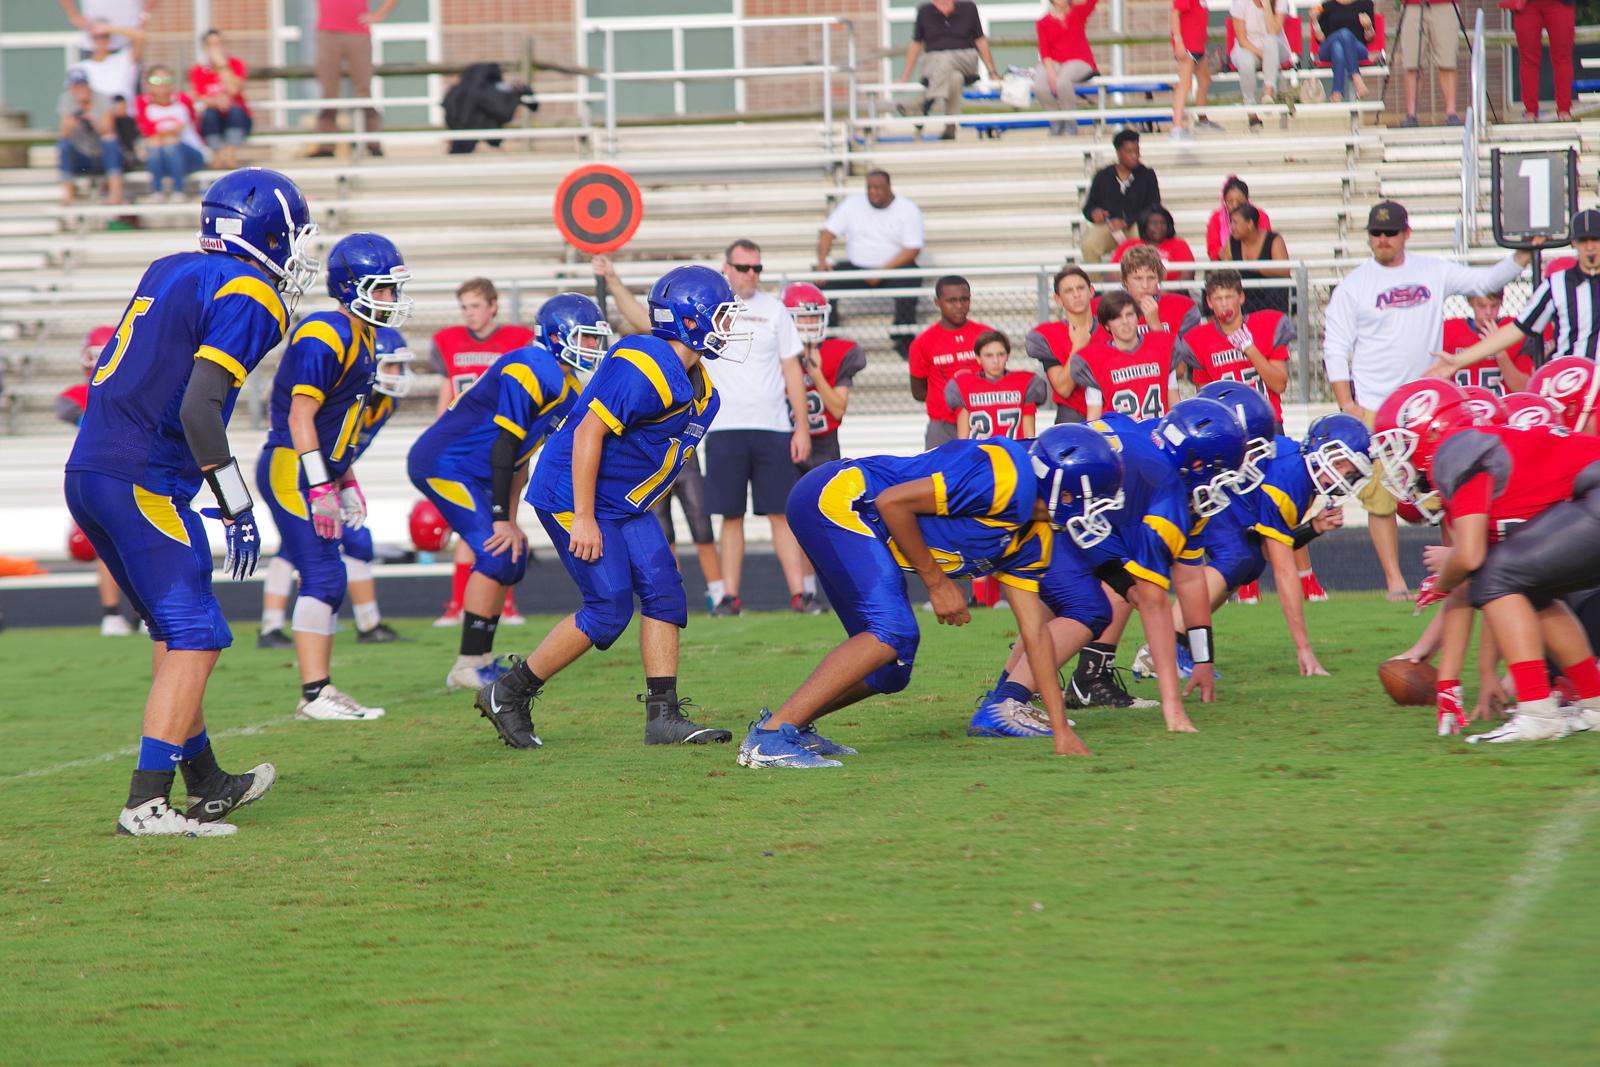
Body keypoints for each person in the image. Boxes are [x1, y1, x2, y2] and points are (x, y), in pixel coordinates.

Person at [63, 167, 317, 836]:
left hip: (91, 469)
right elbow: (199, 407)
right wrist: (236, 503)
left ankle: (206, 781)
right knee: (198, 633)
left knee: (176, 632)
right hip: (141, 478)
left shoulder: (169, 266)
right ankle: (145, 803)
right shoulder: (250, 290)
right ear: (268, 234)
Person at [476, 265, 752, 750]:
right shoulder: (644, 365)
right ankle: (507, 693)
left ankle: (663, 717)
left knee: (665, 592)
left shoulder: (702, 391)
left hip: (620, 502)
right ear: (690, 320)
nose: (729, 325)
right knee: (608, 609)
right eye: (722, 314)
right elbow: (589, 432)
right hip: (574, 493)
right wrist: (584, 517)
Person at [738, 426, 1119, 766]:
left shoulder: (1033, 537)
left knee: (891, 672)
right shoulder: (1001, 477)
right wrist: (937, 584)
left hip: (855, 516)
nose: (1093, 513)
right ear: (1063, 490)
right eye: (1092, 501)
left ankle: (791, 724)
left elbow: (1035, 634)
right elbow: (892, 502)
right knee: (893, 632)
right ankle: (770, 738)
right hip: (838, 497)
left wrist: (1060, 731)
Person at [1322, 199, 1534, 601]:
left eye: (1390, 232)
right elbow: (1335, 346)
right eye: (1376, 233)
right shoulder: (1354, 285)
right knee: (1380, 497)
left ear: (1407, 233)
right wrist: (1347, 404)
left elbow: (1485, 281)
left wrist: (1524, 255)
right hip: (1376, 406)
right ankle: (1394, 581)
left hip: (1428, 407)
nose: (1382, 240)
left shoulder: (1432, 270)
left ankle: (1451, 575)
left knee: (1447, 492)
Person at [1378, 384, 1600, 742]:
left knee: (1499, 573)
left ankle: (1537, 712)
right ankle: (1594, 703)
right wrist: (1448, 682)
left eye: (1401, 443)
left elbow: (1470, 558)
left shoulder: (1457, 450)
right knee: (1530, 588)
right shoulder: (1480, 454)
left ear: (1431, 429)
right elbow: (1469, 580)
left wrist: (1440, 583)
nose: (1398, 458)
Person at [410, 293, 604, 696]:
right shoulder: (530, 366)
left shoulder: (567, 387)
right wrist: (500, 518)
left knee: (511, 557)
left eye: (593, 338)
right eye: (584, 337)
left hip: (482, 471)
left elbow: (520, 459)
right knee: (496, 553)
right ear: (557, 336)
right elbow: (504, 445)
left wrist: (510, 521)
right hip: (445, 464)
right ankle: (467, 665)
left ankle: (479, 660)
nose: (591, 346)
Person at [254, 233, 411, 721]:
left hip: (315, 467)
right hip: (291, 467)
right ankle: (314, 693)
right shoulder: (326, 332)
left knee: (329, 574)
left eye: (393, 289)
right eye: (382, 288)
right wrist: (322, 483)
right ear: (351, 286)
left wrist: (346, 479)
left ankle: (317, 691)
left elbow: (337, 425)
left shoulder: (363, 335)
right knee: (322, 573)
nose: (391, 298)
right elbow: (301, 416)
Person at [1012, 399, 1246, 719]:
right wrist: (1172, 705)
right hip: (1035, 501)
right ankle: (1024, 695)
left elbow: (1191, 577)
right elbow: (1154, 601)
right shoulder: (1160, 485)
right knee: (1091, 604)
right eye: (1220, 472)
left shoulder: (1157, 450)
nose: (1222, 485)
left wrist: (1203, 658)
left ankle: (1008, 693)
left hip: (1049, 494)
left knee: (1069, 598)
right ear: (1195, 464)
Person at [1138, 388, 1357, 681]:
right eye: (1339, 464)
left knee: (1249, 559)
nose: (1342, 476)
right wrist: (1304, 648)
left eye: (1350, 472)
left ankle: (1179, 641)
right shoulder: (1291, 480)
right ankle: (1162, 646)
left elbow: (1268, 549)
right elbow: (1284, 570)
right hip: (1211, 493)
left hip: (1224, 498)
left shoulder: (1300, 475)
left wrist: (1313, 528)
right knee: (1237, 557)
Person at [259, 325, 414, 648]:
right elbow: (311, 429)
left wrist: (346, 482)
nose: (398, 374)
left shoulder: (384, 404)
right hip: (300, 469)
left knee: (348, 542)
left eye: (400, 366)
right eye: (391, 366)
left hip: (328, 472)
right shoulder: (346, 392)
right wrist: (327, 483)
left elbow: (345, 447)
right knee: (312, 553)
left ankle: (366, 623)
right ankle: (274, 628)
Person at [594, 254, 727, 611]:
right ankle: (672, 586)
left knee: (699, 520)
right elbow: (590, 433)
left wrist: (612, 279)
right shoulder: (646, 360)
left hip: (677, 451)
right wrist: (612, 279)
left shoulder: (693, 366)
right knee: (660, 529)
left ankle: (719, 592)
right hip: (645, 459)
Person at [700, 240, 814, 616]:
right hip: (724, 426)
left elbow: (792, 369)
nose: (751, 274)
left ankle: (800, 594)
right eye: (744, 267)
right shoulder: (710, 307)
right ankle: (729, 596)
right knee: (730, 515)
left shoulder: (775, 310)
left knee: (781, 513)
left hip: (773, 425)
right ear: (726, 268)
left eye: (757, 268)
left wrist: (801, 427)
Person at [430, 277, 536, 626]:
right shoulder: (448, 341)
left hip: (507, 444)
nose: (469, 313)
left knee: (507, 524)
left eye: (475, 306)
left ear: (493, 306)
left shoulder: (518, 340)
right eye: (464, 307)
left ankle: (506, 604)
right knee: (470, 527)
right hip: (467, 446)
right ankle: (458, 603)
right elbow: (447, 391)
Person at [1428, 210, 1600, 372]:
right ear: (1574, 243)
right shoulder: (1556, 284)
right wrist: (1458, 360)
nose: (1590, 247)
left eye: (1595, 239)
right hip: (1570, 381)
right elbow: (1518, 328)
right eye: (1584, 240)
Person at [59, 325, 136, 636]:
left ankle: (133, 614)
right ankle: (116, 614)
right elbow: (64, 406)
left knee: (129, 547)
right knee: (113, 547)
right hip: (112, 476)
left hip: (116, 474)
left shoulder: (125, 389)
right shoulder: (101, 391)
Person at [815, 170, 924, 360]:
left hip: (892, 268)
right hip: (856, 267)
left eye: (878, 188)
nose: (873, 192)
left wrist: (882, 271)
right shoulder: (852, 204)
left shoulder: (907, 209)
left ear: (889, 187)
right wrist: (822, 263)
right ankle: (830, 338)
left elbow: (912, 249)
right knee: (824, 281)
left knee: (911, 276)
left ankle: (903, 335)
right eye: (869, 188)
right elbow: (827, 233)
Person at [909, 275, 993, 448]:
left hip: (982, 421)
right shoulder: (923, 342)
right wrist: (946, 401)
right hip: (942, 426)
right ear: (937, 302)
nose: (959, 306)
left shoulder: (986, 335)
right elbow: (918, 391)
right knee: (936, 466)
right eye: (951, 301)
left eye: (964, 299)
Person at [899, 0, 1002, 140]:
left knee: (946, 59)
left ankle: (922, 105)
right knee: (955, 77)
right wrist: (905, 76)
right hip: (935, 62)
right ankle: (950, 128)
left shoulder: (969, 8)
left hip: (965, 59)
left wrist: (992, 72)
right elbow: (916, 44)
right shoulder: (924, 11)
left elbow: (980, 40)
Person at [1073, 290, 1182, 422]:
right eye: (1117, 317)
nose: (1125, 321)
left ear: (1137, 317)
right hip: (1119, 433)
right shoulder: (1096, 360)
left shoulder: (1161, 347)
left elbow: (1174, 401)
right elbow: (1094, 417)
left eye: (1129, 314)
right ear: (1107, 325)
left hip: (1157, 431)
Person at [311, 0, 397, 158]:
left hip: (358, 32)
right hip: (327, 33)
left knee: (363, 91)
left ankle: (373, 144)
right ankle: (326, 146)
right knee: (328, 93)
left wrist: (379, 14)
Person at [1027, 265, 1097, 425]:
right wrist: (1078, 346)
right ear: (1058, 299)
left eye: (1080, 288)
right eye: (1069, 291)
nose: (1076, 294)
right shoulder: (1048, 335)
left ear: (1091, 291)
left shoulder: (1110, 328)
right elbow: (1064, 389)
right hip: (1072, 418)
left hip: (1112, 413)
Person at [948, 330, 1048, 441]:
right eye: (989, 355)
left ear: (1007, 356)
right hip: (979, 451)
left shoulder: (1025, 382)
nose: (995, 361)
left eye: (1001, 354)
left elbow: (1029, 437)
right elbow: (963, 440)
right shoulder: (964, 385)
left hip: (1012, 451)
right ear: (978, 358)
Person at [1080, 128, 1160, 264]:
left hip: (1137, 226)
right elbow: (1089, 206)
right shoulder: (1103, 176)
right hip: (1110, 227)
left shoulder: (1147, 175)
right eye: (1129, 151)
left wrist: (1126, 221)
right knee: (1089, 246)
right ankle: (1095, 278)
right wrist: (1094, 213)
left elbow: (1154, 206)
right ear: (1118, 152)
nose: (1135, 155)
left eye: (1137, 151)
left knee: (1142, 244)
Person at [1434, 290, 1533, 394]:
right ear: (1471, 302)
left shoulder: (1515, 332)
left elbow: (1522, 388)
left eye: (1494, 306)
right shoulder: (1450, 330)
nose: (1488, 312)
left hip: (1501, 403)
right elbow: (1437, 380)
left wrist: (1500, 350)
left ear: (1501, 302)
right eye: (1482, 306)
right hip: (1464, 402)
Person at [135, 66, 208, 200]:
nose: (162, 84)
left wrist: (165, 135)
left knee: (170, 144)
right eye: (156, 80)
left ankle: (178, 190)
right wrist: (168, 134)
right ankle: (157, 191)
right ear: (148, 84)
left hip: (190, 152)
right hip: (162, 153)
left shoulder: (182, 101)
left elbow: (185, 127)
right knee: (156, 146)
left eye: (166, 80)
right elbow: (149, 131)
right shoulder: (145, 104)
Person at [57, 70, 125, 206]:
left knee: (110, 141)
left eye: (82, 86)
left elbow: (108, 129)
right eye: (75, 87)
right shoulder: (67, 100)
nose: (79, 90)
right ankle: (69, 196)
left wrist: (92, 119)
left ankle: (115, 195)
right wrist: (74, 122)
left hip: (101, 154)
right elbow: (63, 132)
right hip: (81, 154)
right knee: (64, 145)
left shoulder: (101, 99)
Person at [1099, 244, 1197, 339]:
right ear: (1125, 280)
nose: (1145, 285)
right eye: (1138, 278)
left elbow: (1187, 349)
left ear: (1159, 279)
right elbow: (1103, 347)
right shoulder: (1109, 309)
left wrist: (1155, 325)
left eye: (1151, 278)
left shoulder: (1182, 307)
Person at [189, 28, 252, 169]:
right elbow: (200, 97)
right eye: (211, 44)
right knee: (209, 114)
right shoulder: (198, 70)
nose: (215, 48)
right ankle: (216, 156)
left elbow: (234, 90)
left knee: (235, 111)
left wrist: (223, 67)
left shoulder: (235, 65)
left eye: (218, 44)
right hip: (214, 118)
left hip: (237, 117)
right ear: (205, 48)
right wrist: (216, 101)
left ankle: (230, 156)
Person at [1034, 0, 1098, 136]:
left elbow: (1092, 2)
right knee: (1040, 85)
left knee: (1062, 82)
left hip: (1080, 60)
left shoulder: (1078, 12)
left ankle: (1070, 123)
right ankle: (1056, 121)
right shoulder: (1043, 22)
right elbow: (1044, 50)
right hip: (1055, 62)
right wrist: (1050, 72)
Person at [1397, 0, 1461, 127]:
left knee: (1447, 61)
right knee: (1412, 63)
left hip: (1445, 4)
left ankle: (1451, 113)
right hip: (1412, 5)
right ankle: (1411, 114)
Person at [1230, 0, 1291, 131]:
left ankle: (1268, 92)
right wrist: (1263, 56)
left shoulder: (1280, 2)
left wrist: (1267, 6)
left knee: (1270, 40)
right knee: (1245, 61)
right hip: (1248, 46)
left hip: (1275, 46)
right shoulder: (1240, 3)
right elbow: (1242, 40)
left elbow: (1274, 31)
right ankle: (1250, 109)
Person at [1513, 0, 1576, 123]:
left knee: (1563, 57)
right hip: (1526, 5)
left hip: (1559, 3)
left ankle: (1564, 109)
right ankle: (1530, 111)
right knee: (1528, 59)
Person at [1225, 203, 1291, 314]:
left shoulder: (1274, 240)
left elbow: (1284, 270)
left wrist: (1256, 267)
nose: (1232, 227)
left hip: (1272, 301)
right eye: (1231, 222)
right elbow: (1225, 270)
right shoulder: (1232, 242)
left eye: (1235, 223)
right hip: (1243, 301)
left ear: (1250, 224)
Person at [1171, 0, 1223, 139]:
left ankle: (1202, 119)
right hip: (1187, 46)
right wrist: (1178, 41)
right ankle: (1176, 127)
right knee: (1185, 84)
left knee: (1204, 80)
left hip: (1198, 46)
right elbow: (1175, 14)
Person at [1313, 0, 1376, 102]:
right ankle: (1356, 77)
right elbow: (1321, 39)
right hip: (1328, 50)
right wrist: (1314, 20)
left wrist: (1368, 27)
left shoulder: (1366, 3)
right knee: (1344, 34)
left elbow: (1370, 38)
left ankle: (1337, 91)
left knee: (1338, 47)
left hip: (1357, 49)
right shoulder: (1326, 6)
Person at [1111, 206, 1196, 282]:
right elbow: (1112, 274)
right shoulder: (1128, 246)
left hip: (1171, 292)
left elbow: (1188, 275)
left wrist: (1164, 290)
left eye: (1163, 223)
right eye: (1154, 223)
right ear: (1145, 225)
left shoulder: (1179, 245)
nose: (1159, 227)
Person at [72, 20, 143, 103]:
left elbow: (140, 36)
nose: (100, 41)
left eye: (104, 36)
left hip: (124, 110)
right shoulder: (80, 68)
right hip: (97, 111)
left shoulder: (122, 59)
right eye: (96, 37)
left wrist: (108, 28)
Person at [1206, 176, 1272, 262]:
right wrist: (1231, 255)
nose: (1235, 206)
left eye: (1239, 202)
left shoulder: (1260, 216)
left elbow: (1265, 245)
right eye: (1230, 202)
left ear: (1247, 200)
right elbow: (1213, 250)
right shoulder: (1216, 218)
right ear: (1224, 202)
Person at [59, 1, 153, 55]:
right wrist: (73, 15)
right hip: (94, 46)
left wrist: (144, 16)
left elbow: (140, 36)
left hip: (128, 43)